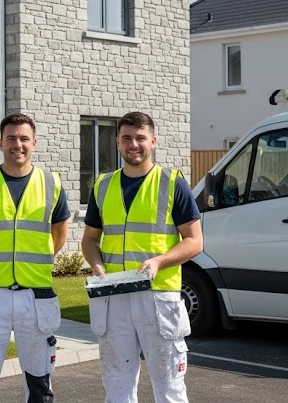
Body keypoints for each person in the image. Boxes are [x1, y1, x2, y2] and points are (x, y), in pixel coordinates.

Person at [80, 111, 203, 403]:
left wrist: (159, 261)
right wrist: (96, 263)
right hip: (113, 296)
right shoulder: (103, 185)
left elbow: (195, 241)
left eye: (140, 138)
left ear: (153, 141)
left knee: (169, 387)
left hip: (158, 297)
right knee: (117, 386)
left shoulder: (172, 183)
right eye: (126, 138)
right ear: (117, 143)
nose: (133, 144)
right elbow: (89, 240)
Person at [0, 113, 70, 403]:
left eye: (23, 138)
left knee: (40, 387)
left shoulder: (51, 184)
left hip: (35, 297)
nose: (17, 144)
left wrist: (35, 260)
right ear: (0, 142)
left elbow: (59, 235)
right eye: (11, 138)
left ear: (34, 142)